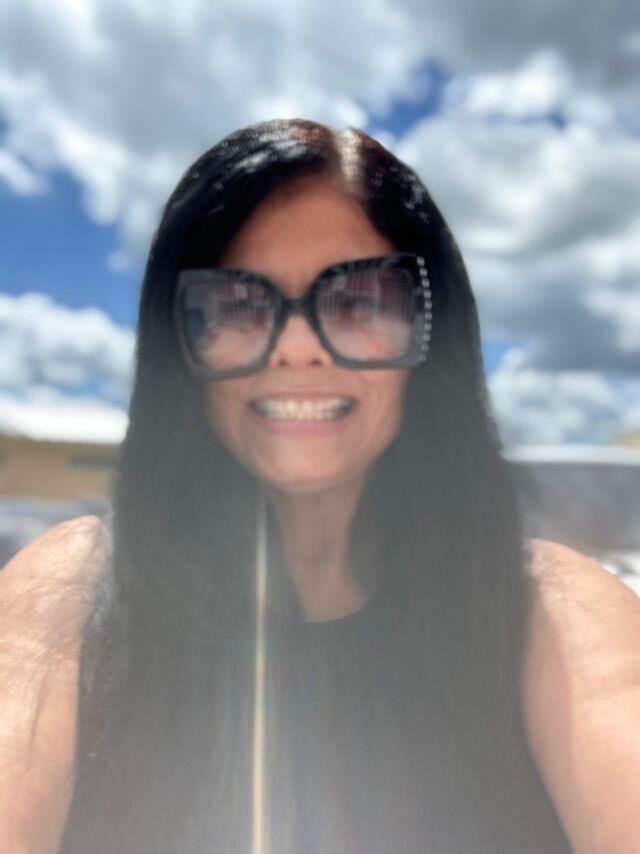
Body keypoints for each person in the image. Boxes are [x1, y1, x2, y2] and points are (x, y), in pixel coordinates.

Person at [1, 119, 639, 854]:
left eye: (360, 300)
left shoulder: (546, 606)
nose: (299, 347)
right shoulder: (75, 591)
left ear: (429, 340)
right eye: (236, 304)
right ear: (180, 346)